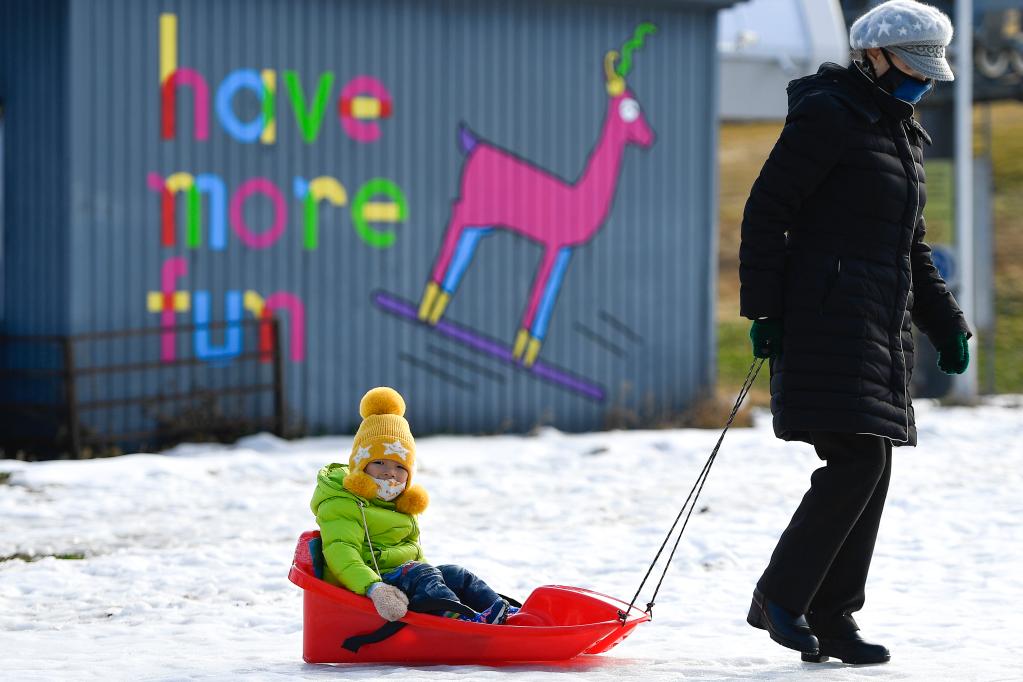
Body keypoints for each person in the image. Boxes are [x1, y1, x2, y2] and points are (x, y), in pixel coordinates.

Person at [738, 0, 972, 666]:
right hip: (822, 317)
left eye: (928, 70)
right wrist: (766, 311)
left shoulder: (899, 135)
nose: (922, 82)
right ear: (873, 57)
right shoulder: (828, 115)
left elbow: (910, 248)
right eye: (912, 67)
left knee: (872, 463)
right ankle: (779, 597)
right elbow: (766, 212)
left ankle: (832, 617)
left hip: (876, 325)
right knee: (855, 459)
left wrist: (945, 323)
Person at [310, 386, 513, 624]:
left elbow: (416, 556)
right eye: (379, 463)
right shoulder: (343, 502)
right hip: (367, 589)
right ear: (359, 466)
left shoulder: (399, 504)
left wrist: (437, 580)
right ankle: (460, 622)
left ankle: (505, 615)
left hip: (401, 581)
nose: (390, 474)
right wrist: (374, 588)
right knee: (420, 573)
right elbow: (341, 552)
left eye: (399, 467)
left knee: (455, 574)